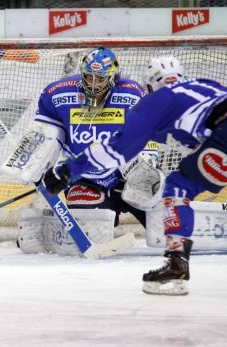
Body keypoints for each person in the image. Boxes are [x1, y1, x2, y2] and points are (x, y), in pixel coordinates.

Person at [42, 58, 227, 295]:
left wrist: (68, 169)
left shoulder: (158, 99)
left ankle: (176, 264)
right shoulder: (203, 85)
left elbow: (118, 149)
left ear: (149, 86)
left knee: (178, 188)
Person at [13, 47, 159, 256]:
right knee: (91, 234)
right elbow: (44, 134)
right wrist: (32, 163)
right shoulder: (58, 93)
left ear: (113, 77)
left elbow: (147, 135)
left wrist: (148, 164)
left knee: (167, 231)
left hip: (127, 177)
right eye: (88, 77)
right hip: (85, 179)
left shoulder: (132, 93)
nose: (93, 84)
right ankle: (44, 229)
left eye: (100, 79)